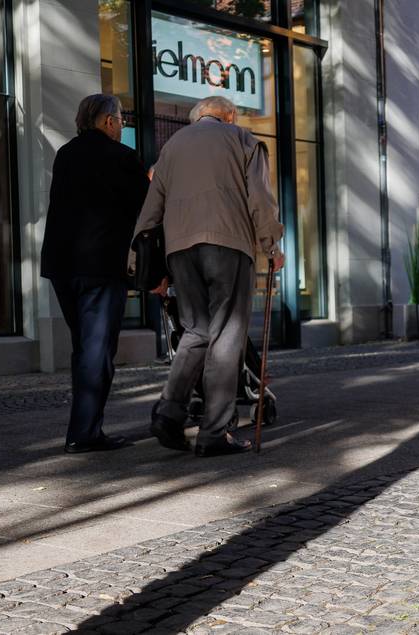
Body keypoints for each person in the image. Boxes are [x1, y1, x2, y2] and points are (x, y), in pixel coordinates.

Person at [135, 96, 284, 457]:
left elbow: (150, 210)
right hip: (228, 243)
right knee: (227, 334)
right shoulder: (242, 139)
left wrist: (143, 266)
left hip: (180, 250)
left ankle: (169, 412)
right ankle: (214, 432)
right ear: (228, 116)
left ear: (198, 117)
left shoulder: (171, 147)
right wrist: (271, 246)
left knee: (196, 330)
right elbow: (260, 199)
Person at [40, 94, 150, 454]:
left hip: (61, 265)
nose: (123, 125)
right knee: (97, 350)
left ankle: (84, 429)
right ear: (108, 121)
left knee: (84, 347)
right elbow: (146, 205)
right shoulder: (122, 157)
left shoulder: (65, 154)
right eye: (121, 119)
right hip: (100, 266)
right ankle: (84, 433)